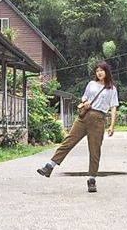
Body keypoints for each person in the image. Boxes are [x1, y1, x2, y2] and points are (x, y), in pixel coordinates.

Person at [36, 61, 119, 192]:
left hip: (99, 119)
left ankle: (92, 179)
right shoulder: (91, 84)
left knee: (94, 150)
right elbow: (84, 97)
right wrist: (85, 102)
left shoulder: (112, 89)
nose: (99, 73)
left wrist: (112, 125)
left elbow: (114, 107)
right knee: (68, 141)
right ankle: (49, 166)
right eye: (97, 71)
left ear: (107, 72)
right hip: (84, 116)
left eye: (101, 70)